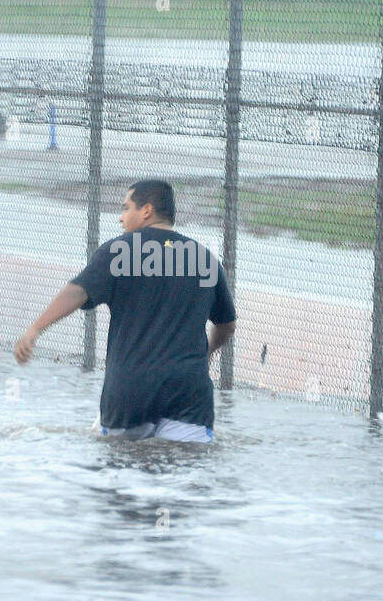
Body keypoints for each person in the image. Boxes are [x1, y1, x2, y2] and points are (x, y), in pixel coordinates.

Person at [13, 180, 237, 443]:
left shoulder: (119, 251)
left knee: (118, 467)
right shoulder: (205, 259)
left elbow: (77, 291)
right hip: (188, 390)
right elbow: (227, 324)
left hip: (130, 387)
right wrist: (206, 353)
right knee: (183, 469)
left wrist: (35, 329)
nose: (121, 217)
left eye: (126, 208)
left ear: (146, 210)